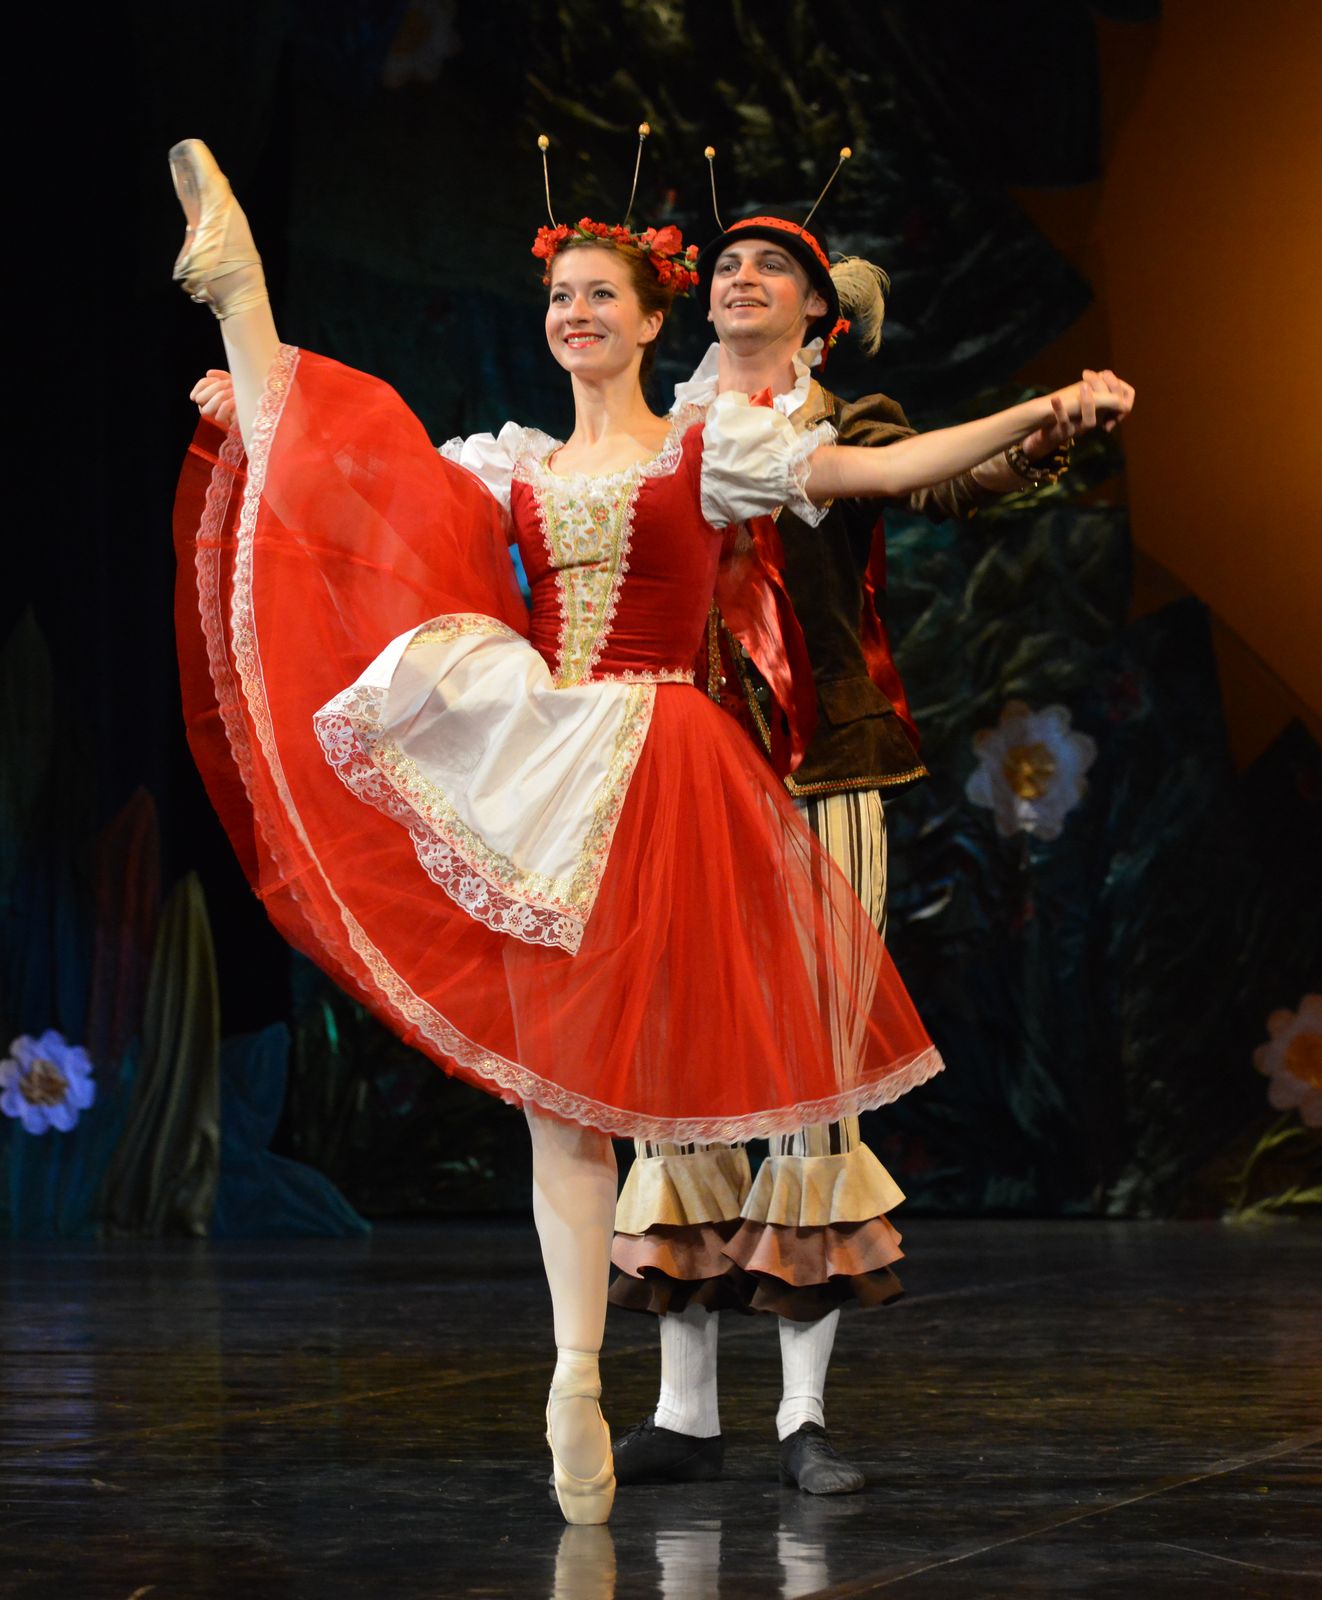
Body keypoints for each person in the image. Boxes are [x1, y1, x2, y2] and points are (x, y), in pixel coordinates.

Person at [171, 139, 1126, 1525]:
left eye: (600, 296)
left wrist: (1043, 403)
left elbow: (889, 471)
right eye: (559, 295)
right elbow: (344, 478)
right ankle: (582, 1381)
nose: (575, 314)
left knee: (753, 1087)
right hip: (553, 767)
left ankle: (786, 1404)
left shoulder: (712, 450)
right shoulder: (507, 463)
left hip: (681, 768)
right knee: (570, 1108)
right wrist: (248, 341)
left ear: (649, 322)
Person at [608, 215, 1135, 1494]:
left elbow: (944, 483)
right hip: (677, 776)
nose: (742, 278)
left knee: (812, 1073)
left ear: (817, 311)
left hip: (821, 770)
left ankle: (800, 1418)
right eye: (725, 266)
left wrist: (1045, 429)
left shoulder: (847, 426)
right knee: (675, 1080)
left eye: (771, 267)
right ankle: (683, 1413)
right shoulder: (653, 433)